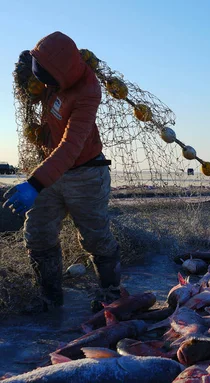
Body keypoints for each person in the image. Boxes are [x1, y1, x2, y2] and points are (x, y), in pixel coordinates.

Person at [2, 32, 120, 312]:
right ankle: (50, 299)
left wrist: (34, 184)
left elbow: (71, 146)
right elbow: (38, 92)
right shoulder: (50, 75)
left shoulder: (88, 91)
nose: (43, 84)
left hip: (86, 174)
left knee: (95, 237)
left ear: (62, 74)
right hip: (50, 170)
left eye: (46, 78)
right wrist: (26, 71)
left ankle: (111, 293)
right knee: (38, 234)